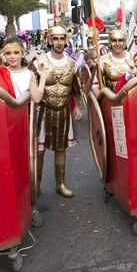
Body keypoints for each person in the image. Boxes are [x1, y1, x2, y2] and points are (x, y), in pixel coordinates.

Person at [34, 26, 82, 198]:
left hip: (63, 111)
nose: (59, 42)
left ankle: (60, 184)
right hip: (43, 112)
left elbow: (75, 88)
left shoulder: (72, 64)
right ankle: (36, 184)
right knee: (39, 150)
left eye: (62, 38)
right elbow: (31, 87)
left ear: (66, 40)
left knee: (61, 149)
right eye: (55, 38)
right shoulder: (39, 61)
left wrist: (76, 106)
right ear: (49, 40)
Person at [2, 37, 42, 102]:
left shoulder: (29, 74)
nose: (12, 57)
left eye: (16, 52)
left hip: (22, 111)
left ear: (23, 54)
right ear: (4, 55)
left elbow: (36, 99)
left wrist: (43, 78)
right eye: (8, 53)